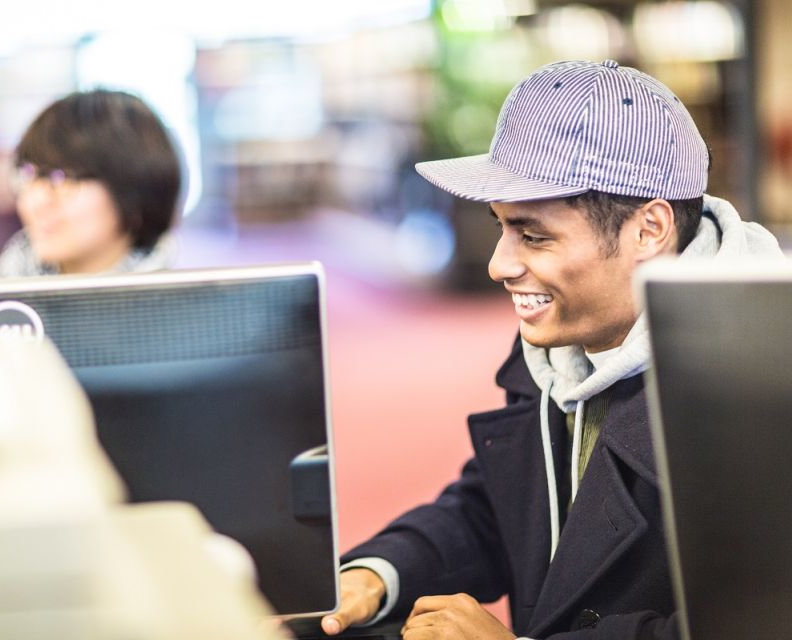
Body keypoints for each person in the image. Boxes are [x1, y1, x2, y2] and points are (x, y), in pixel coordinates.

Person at [321, 60, 785, 640]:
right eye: (501, 227)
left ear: (649, 229)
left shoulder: (762, 382)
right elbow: (502, 509)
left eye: (533, 235)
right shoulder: (564, 340)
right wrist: (378, 573)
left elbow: (757, 621)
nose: (499, 264)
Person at [0, 89, 182, 277]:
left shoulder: (181, 305)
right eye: (29, 174)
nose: (37, 201)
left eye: (64, 178)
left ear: (135, 188)